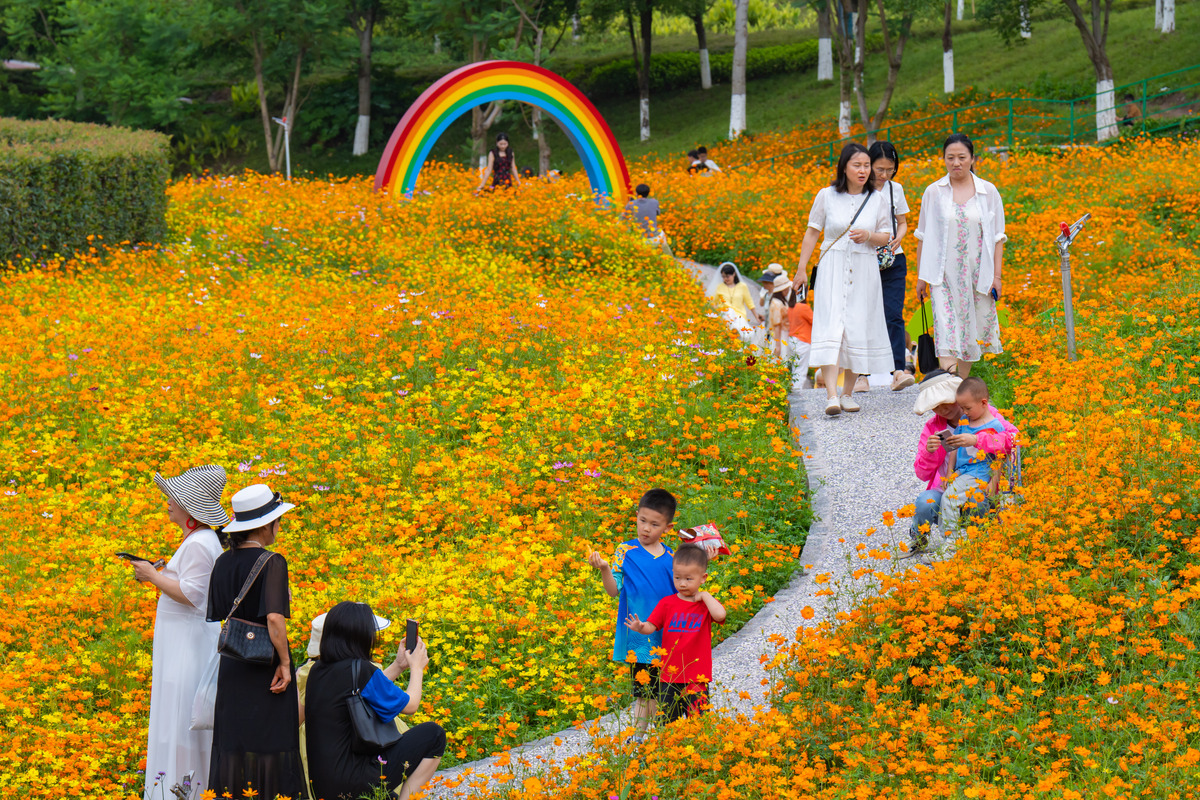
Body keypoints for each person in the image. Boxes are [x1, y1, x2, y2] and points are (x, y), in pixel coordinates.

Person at [133, 465, 230, 800]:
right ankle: (180, 789)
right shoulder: (198, 540)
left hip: (187, 650)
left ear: (191, 507)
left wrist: (152, 576)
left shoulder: (200, 543)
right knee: (175, 719)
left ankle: (183, 791)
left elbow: (193, 595)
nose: (168, 502)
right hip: (182, 646)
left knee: (180, 720)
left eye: (174, 498)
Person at [206, 483, 304, 800]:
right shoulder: (272, 561)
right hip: (265, 667)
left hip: (233, 666)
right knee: (272, 742)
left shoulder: (222, 562)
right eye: (278, 522)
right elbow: (274, 618)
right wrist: (285, 664)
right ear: (265, 525)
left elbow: (223, 611)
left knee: (233, 743)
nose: (279, 527)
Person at [791, 142, 894, 416]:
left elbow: (886, 236)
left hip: (864, 268)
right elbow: (812, 232)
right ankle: (832, 395)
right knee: (831, 325)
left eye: (866, 166)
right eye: (856, 165)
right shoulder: (826, 195)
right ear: (844, 167)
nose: (863, 170)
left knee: (858, 326)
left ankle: (848, 393)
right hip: (832, 267)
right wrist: (801, 269)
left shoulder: (877, 199)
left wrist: (868, 236)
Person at [303, 602, 445, 800]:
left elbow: (363, 690)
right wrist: (417, 668)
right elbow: (411, 705)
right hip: (354, 780)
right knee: (434, 735)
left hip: (323, 787)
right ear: (360, 635)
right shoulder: (360, 669)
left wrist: (398, 665)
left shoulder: (317, 671)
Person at [587, 489, 678, 739]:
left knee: (664, 690)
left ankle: (661, 737)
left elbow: (682, 593)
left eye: (654, 524)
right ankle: (639, 737)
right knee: (643, 691)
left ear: (668, 528)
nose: (646, 528)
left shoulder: (672, 557)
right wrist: (604, 568)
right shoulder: (625, 551)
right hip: (639, 636)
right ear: (636, 516)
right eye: (642, 521)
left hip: (666, 635)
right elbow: (613, 590)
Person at [914, 133, 1006, 378]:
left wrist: (997, 277)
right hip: (942, 275)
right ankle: (950, 386)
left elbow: (998, 238)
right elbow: (923, 236)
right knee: (946, 330)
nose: (956, 163)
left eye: (962, 157)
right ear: (944, 159)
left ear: (972, 159)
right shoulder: (933, 192)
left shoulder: (988, 192)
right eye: (950, 158)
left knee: (969, 333)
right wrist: (921, 277)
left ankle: (959, 385)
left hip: (978, 274)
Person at [907, 373, 1017, 559]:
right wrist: (929, 452)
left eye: (946, 402)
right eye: (935, 406)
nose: (942, 409)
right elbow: (921, 473)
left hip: (979, 481)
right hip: (948, 484)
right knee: (925, 502)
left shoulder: (986, 414)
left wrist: (977, 440)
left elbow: (1013, 439)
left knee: (976, 501)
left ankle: (976, 544)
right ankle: (919, 539)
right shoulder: (933, 427)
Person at [296, 610, 399, 799]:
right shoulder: (362, 668)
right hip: (355, 741)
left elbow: (297, 718)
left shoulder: (309, 671)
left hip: (318, 745)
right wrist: (404, 666)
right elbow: (378, 691)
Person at [624, 543, 726, 722]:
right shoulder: (667, 603)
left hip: (697, 676)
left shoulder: (704, 605)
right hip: (669, 676)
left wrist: (705, 595)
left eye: (689, 579)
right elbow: (651, 626)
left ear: (703, 578)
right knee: (668, 722)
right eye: (677, 577)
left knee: (698, 722)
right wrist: (640, 627)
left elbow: (720, 615)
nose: (682, 583)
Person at [868, 141, 916, 393]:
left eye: (890, 169)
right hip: (865, 258)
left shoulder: (895, 189)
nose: (884, 175)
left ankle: (898, 370)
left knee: (893, 314)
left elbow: (903, 222)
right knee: (864, 315)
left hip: (893, 258)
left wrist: (900, 237)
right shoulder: (858, 188)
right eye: (880, 169)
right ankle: (861, 374)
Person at [708, 263, 761, 343]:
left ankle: (736, 337)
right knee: (728, 316)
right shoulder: (720, 287)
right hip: (725, 314)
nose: (725, 279)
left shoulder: (742, 286)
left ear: (734, 274)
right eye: (723, 277)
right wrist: (718, 312)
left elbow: (749, 302)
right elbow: (713, 302)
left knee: (747, 333)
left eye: (727, 276)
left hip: (739, 315)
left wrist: (756, 317)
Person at [766, 273, 794, 360]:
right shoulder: (777, 303)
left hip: (783, 334)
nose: (788, 290)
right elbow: (776, 325)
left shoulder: (781, 301)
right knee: (780, 360)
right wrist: (778, 346)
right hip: (779, 336)